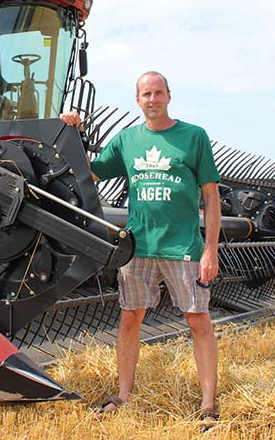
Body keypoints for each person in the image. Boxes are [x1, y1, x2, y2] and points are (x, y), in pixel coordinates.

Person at [60, 71, 221, 424]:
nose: (153, 99)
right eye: (146, 94)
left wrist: (211, 250)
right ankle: (122, 395)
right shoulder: (127, 141)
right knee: (130, 318)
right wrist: (71, 133)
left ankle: (208, 404)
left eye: (158, 93)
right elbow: (88, 174)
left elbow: (211, 195)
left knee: (198, 321)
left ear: (168, 96)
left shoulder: (194, 137)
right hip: (139, 245)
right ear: (137, 100)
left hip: (183, 248)